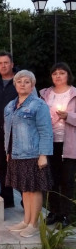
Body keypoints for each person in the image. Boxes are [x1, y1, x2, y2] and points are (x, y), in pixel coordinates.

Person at [5, 70, 53, 238]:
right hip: (16, 154)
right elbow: (8, 131)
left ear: (32, 86)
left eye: (27, 82)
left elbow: (46, 131)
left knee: (34, 189)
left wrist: (43, 154)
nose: (22, 84)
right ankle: (26, 220)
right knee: (25, 189)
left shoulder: (39, 105)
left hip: (33, 154)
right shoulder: (10, 106)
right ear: (15, 85)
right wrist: (8, 151)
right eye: (19, 81)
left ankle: (34, 224)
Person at [40, 62, 76, 228]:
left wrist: (68, 116)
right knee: (51, 179)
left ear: (68, 75)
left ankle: (66, 214)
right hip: (50, 142)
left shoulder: (74, 93)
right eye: (55, 73)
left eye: (61, 73)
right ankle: (54, 212)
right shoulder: (46, 94)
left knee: (67, 180)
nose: (58, 76)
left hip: (69, 143)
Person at [0, 52, 18, 208]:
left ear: (12, 64)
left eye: (6, 62)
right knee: (0, 163)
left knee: (16, 163)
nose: (3, 66)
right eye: (0, 63)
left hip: (16, 129)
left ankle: (25, 197)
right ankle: (7, 197)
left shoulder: (20, 80)